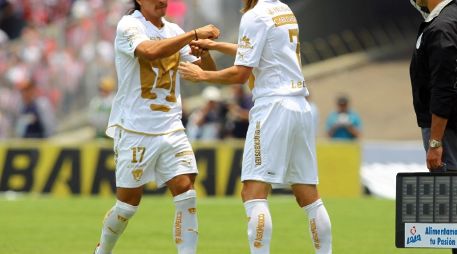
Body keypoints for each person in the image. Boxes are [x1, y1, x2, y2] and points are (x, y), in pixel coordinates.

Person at [178, 0, 332, 253]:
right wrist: (215, 46)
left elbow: (240, 73)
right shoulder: (283, 9)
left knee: (253, 191)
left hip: (272, 107)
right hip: (299, 105)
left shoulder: (254, 15)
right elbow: (258, 50)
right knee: (308, 194)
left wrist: (202, 75)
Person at [93, 0, 220, 253]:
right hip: (136, 129)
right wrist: (193, 34)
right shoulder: (129, 25)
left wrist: (204, 53)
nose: (164, 1)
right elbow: (149, 52)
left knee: (186, 190)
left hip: (172, 127)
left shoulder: (173, 31)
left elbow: (206, 72)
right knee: (127, 206)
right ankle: (102, 250)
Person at [409, 0, 457, 173]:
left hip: (447, 130)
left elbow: (443, 86)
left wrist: (435, 141)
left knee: (449, 195)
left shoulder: (442, 27)